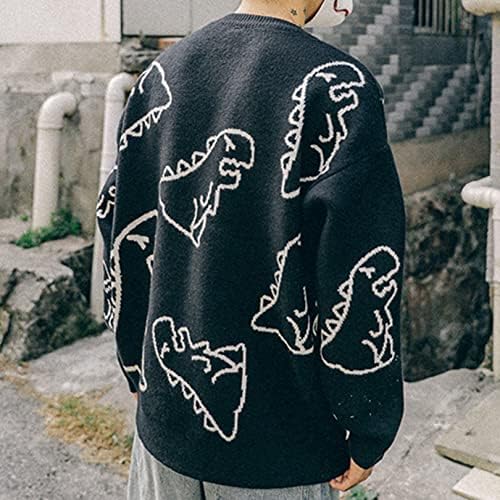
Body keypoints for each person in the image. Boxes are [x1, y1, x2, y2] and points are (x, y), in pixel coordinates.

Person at [95, 0, 407, 498]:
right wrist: (367, 423)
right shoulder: (337, 88)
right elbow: (360, 267)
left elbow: (121, 227)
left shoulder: (162, 74)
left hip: (164, 427)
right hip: (279, 447)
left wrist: (135, 364)